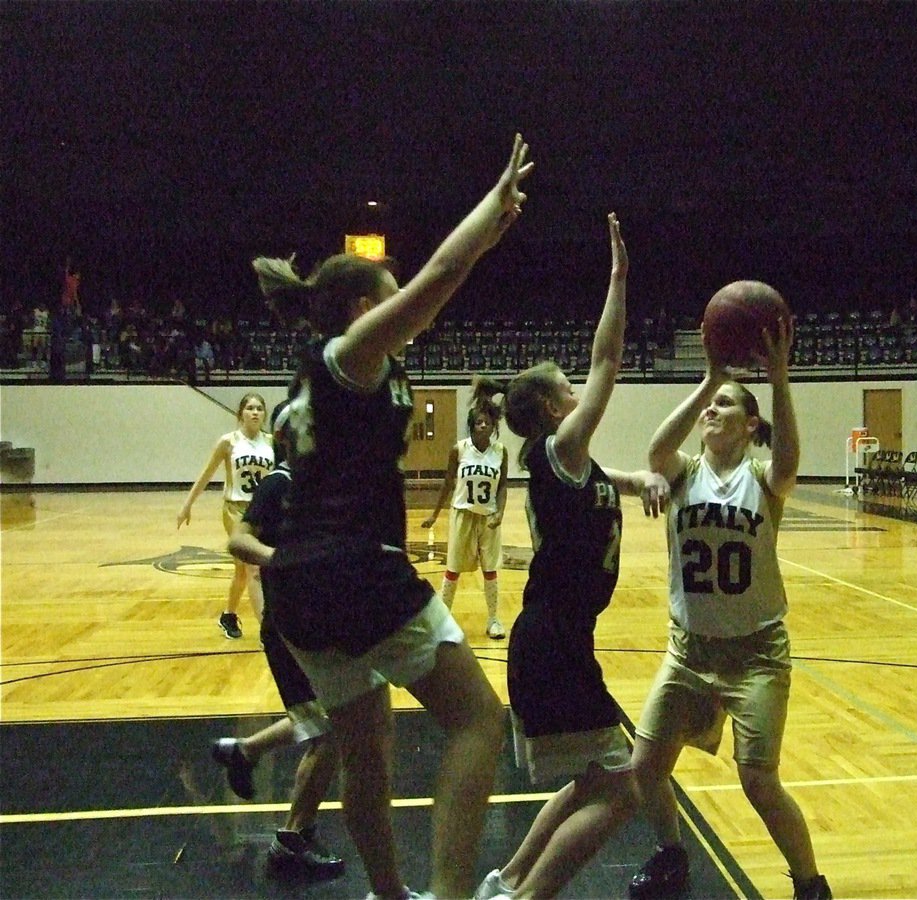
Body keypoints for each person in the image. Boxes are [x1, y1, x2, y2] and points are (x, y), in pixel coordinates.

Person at [248, 133, 531, 900]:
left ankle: (391, 895)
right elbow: (443, 272)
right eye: (391, 287)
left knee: (366, 755)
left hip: (299, 588)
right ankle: (444, 893)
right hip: (354, 567)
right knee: (478, 720)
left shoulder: (323, 373)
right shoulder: (349, 353)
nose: (409, 295)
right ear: (366, 305)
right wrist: (491, 214)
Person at [473, 214, 670, 900]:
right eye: (569, 390)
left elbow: (597, 478)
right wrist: (618, 278)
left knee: (593, 778)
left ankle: (504, 882)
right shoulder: (559, 450)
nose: (579, 393)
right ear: (557, 411)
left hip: (554, 639)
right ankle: (527, 898)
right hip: (553, 642)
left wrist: (637, 480)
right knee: (621, 792)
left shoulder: (565, 463)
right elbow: (608, 362)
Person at [627, 309, 832, 900]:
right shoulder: (682, 473)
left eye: (725, 405)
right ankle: (671, 854)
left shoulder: (766, 480)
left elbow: (790, 457)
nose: (712, 411)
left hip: (757, 654)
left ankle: (810, 883)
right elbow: (654, 449)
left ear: (750, 425)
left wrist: (781, 378)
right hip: (688, 649)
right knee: (645, 767)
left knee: (758, 781)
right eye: (708, 406)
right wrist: (707, 379)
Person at [217, 399, 343, 879]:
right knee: (328, 730)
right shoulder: (279, 483)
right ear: (292, 439)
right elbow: (238, 541)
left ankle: (244, 751)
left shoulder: (319, 488)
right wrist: (280, 557)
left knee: (327, 716)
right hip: (290, 625)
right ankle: (290, 843)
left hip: (317, 624)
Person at [177, 391, 273, 639]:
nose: (254, 412)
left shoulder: (272, 443)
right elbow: (206, 473)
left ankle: (228, 615)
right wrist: (187, 504)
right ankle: (267, 631)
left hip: (262, 510)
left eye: (259, 408)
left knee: (242, 571)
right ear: (240, 413)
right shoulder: (228, 442)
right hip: (235, 510)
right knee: (253, 568)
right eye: (250, 407)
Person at [421, 379, 510, 640]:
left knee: (490, 570)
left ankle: (493, 619)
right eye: (478, 422)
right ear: (471, 426)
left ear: (494, 426)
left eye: (487, 422)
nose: (483, 425)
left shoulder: (500, 452)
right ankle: (442, 620)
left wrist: (500, 512)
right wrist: (435, 515)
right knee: (453, 569)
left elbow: (503, 486)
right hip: (462, 513)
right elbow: (448, 483)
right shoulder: (459, 449)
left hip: (488, 517)